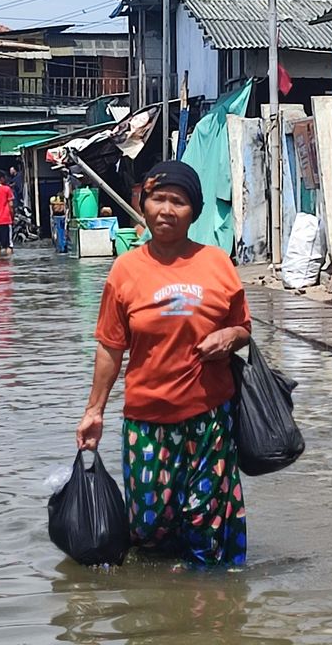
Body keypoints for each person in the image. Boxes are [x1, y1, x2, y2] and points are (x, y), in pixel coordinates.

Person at [75, 161, 251, 567]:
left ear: (195, 211)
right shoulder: (125, 271)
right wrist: (93, 412)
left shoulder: (218, 264)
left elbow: (243, 327)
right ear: (143, 203)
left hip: (209, 419)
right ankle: (158, 609)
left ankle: (209, 611)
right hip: (146, 420)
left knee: (206, 523)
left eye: (179, 201)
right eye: (158, 199)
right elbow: (109, 347)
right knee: (148, 525)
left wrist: (230, 337)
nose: (167, 210)